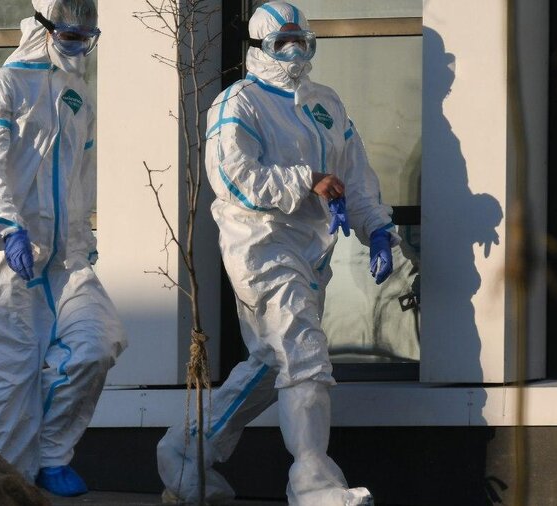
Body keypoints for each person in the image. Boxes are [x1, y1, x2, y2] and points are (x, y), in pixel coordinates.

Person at [156, 2, 396, 505]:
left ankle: (186, 451)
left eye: (300, 41)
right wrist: (307, 180)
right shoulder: (238, 103)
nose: (293, 52)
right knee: (304, 353)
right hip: (260, 244)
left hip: (312, 253)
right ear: (258, 46)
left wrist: (375, 227)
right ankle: (313, 482)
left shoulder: (326, 103)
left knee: (273, 360)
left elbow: (355, 174)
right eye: (281, 42)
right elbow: (233, 178)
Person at [0, 0, 125, 497]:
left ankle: (50, 454)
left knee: (96, 344)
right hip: (3, 261)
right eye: (69, 36)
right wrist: (6, 226)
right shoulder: (3, 87)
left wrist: (82, 244)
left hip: (65, 261)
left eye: (85, 37)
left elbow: (81, 180)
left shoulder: (77, 96)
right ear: (43, 29)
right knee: (8, 385)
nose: (78, 46)